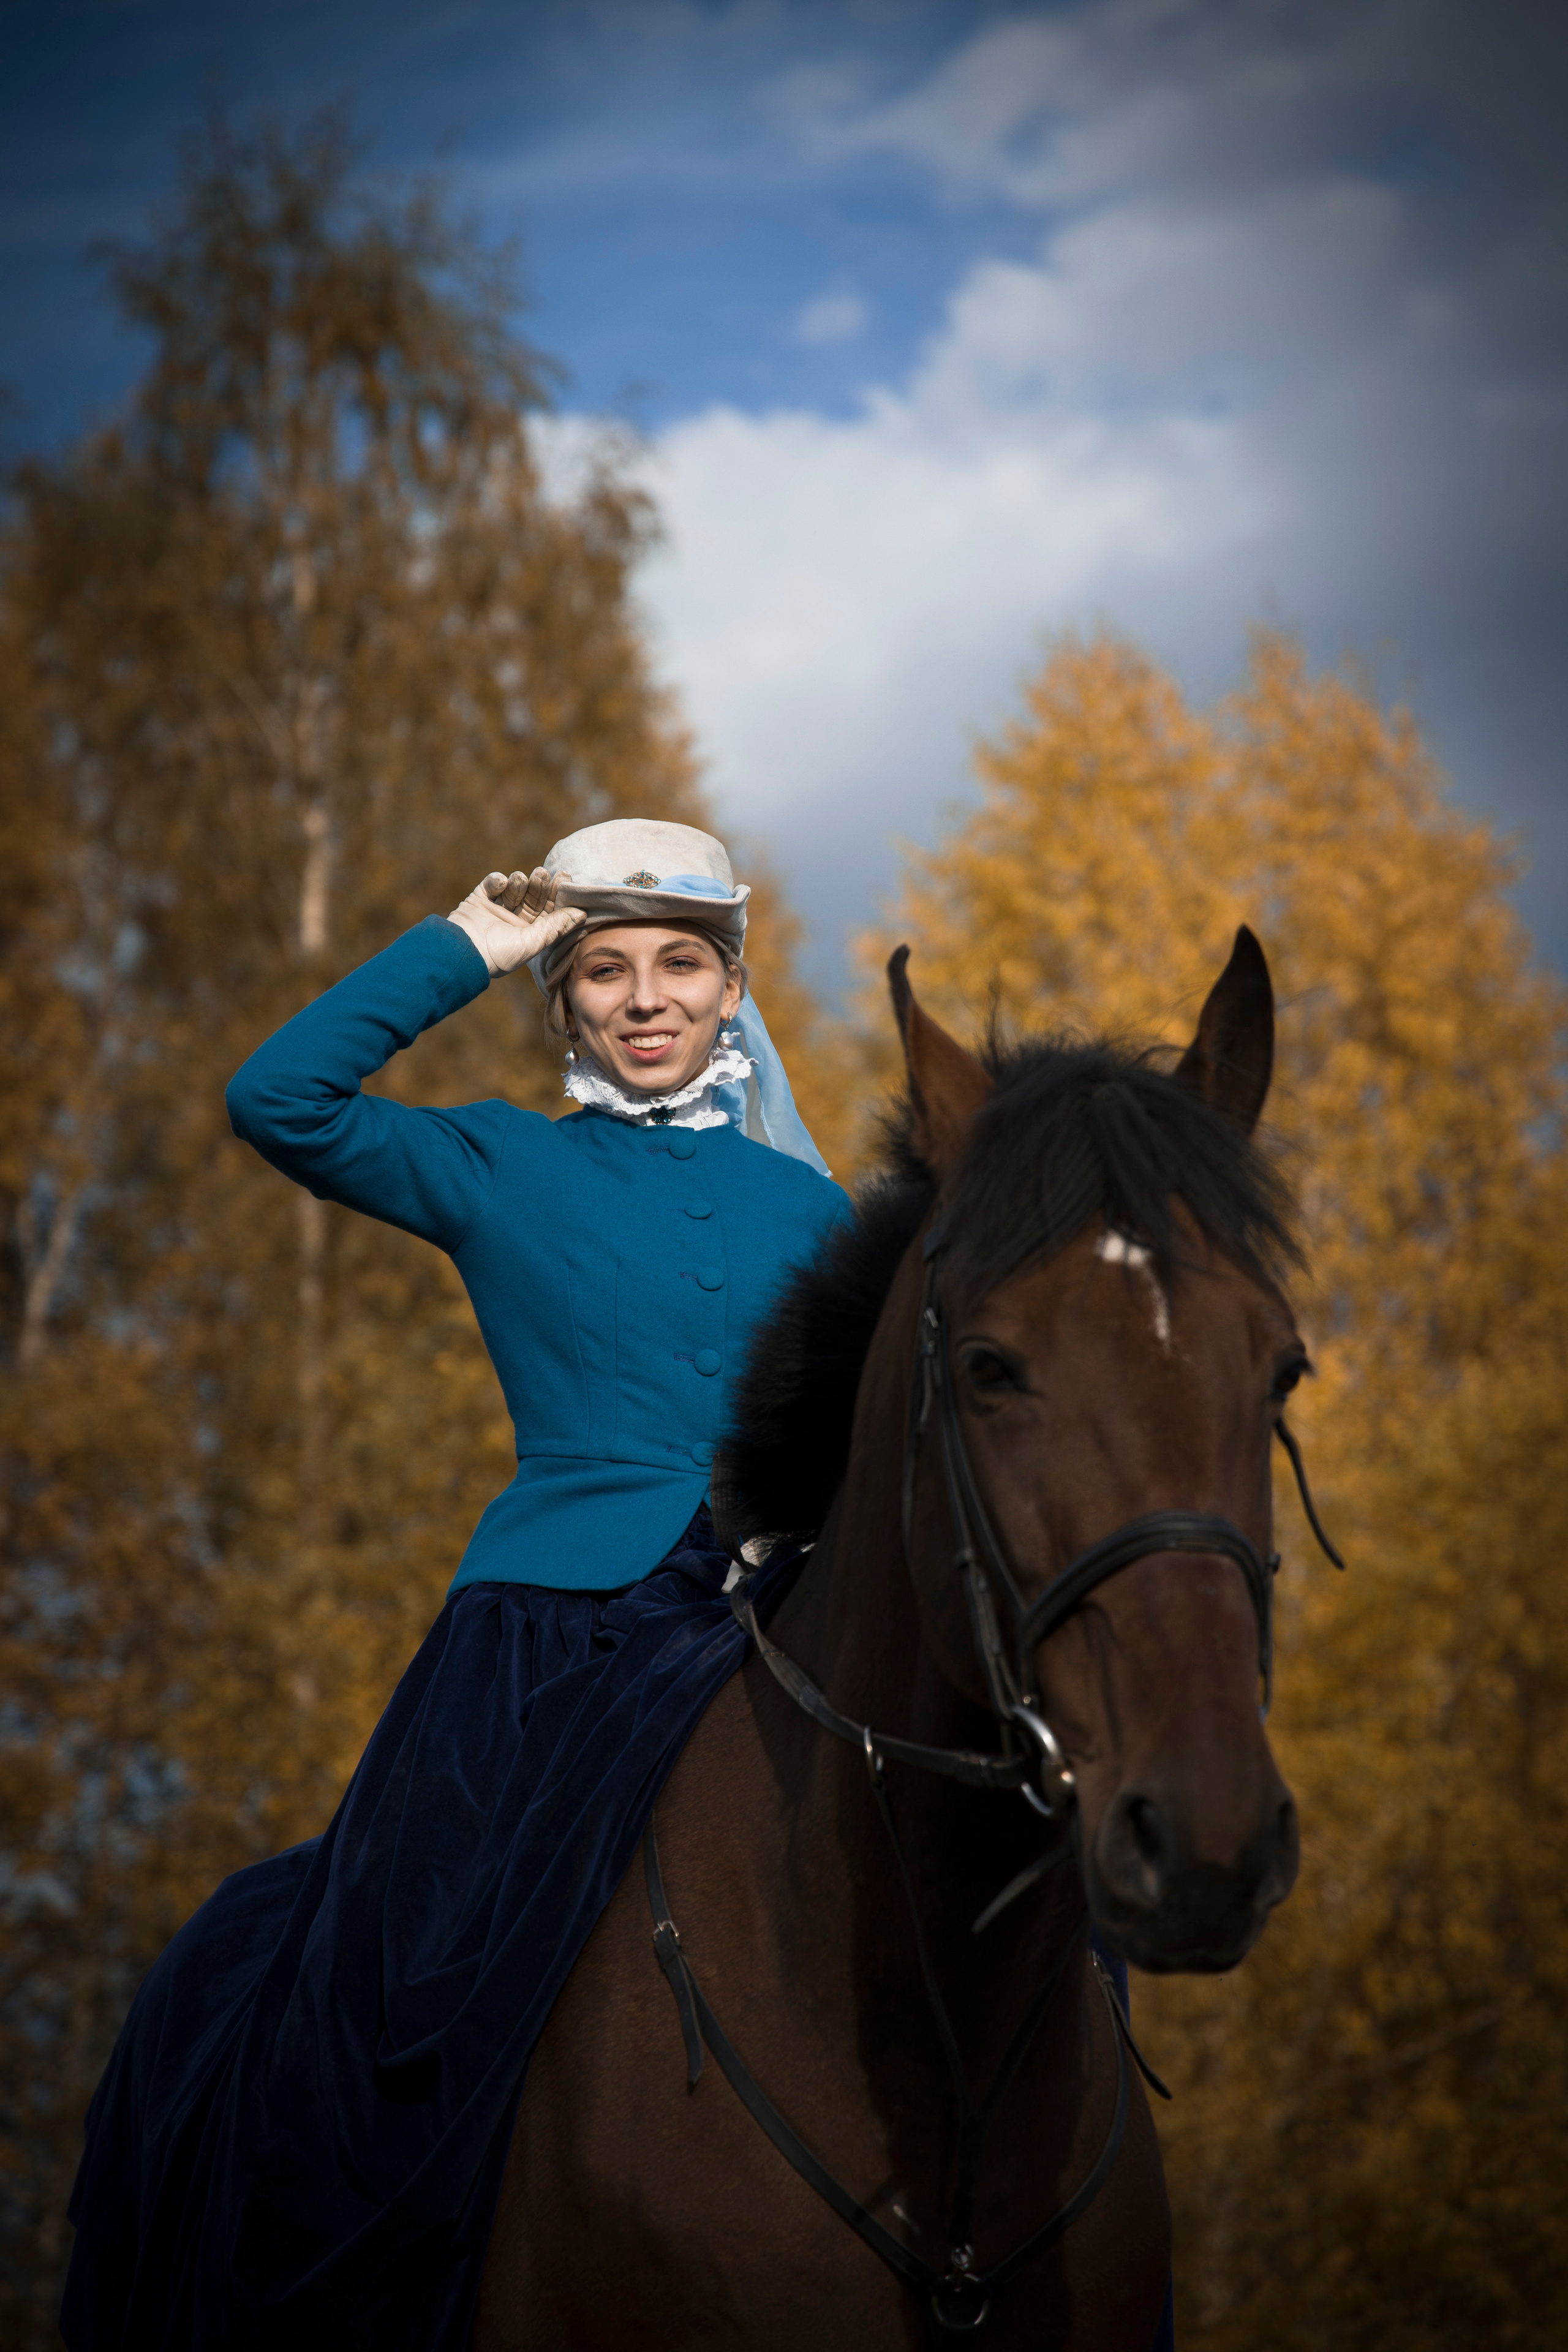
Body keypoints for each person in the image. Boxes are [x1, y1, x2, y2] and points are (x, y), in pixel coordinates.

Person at [62, 819, 854, 2352]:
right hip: (550, 1634)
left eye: (678, 966)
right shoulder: (496, 1159)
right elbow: (274, 1098)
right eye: (601, 972)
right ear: (560, 1004)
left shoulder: (821, 1219)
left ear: (731, 988)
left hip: (774, 1625)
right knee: (399, 1988)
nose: (642, 999)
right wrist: (465, 944)